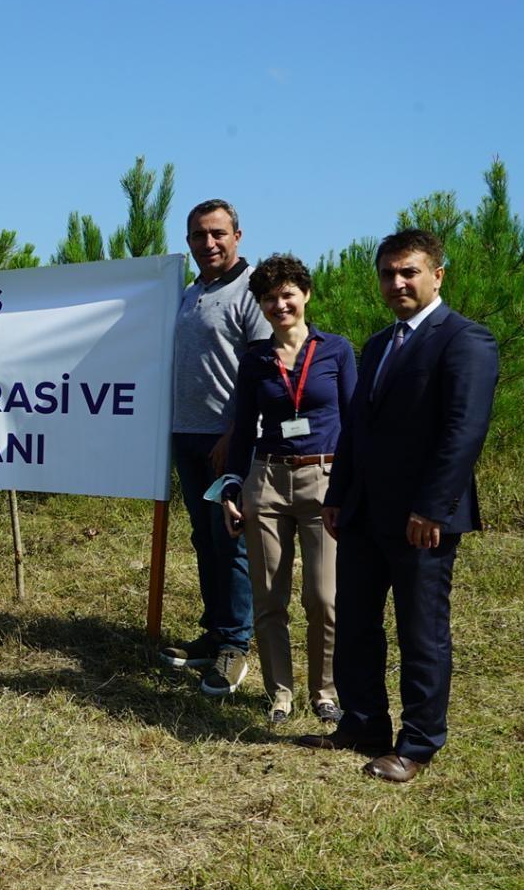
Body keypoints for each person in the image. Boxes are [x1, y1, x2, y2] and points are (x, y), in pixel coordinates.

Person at [299, 229, 499, 783]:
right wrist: (339, 498)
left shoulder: (465, 341)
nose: (397, 282)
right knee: (357, 624)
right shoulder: (381, 343)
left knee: (421, 632)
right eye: (388, 272)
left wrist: (432, 507)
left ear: (438, 274)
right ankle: (362, 723)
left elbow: (464, 432)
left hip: (422, 520)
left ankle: (417, 744)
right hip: (363, 514)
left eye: (409, 271)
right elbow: (358, 429)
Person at [216, 255, 355, 722]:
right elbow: (241, 430)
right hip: (268, 480)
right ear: (260, 304)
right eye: (270, 298)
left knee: (324, 597)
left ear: (306, 295)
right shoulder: (254, 359)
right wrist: (231, 489)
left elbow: (355, 424)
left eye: (288, 294)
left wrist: (356, 484)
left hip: (325, 480)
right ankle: (280, 694)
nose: (280, 304)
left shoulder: (335, 350)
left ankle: (325, 692)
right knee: (270, 597)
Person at [159, 199, 272, 694]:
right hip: (187, 434)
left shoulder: (253, 292)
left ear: (237, 236)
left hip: (230, 440)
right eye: (199, 236)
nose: (209, 243)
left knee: (231, 540)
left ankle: (234, 646)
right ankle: (214, 631)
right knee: (204, 538)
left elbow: (264, 369)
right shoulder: (189, 293)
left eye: (218, 234)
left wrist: (236, 433)